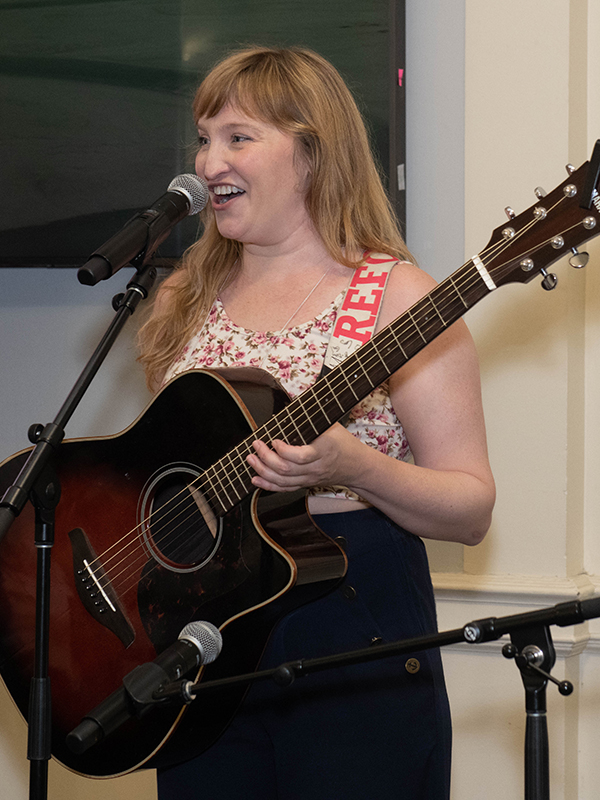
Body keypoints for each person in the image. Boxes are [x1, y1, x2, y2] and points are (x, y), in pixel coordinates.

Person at [138, 45, 495, 800]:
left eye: (238, 136)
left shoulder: (399, 297)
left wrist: (354, 466)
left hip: (353, 628)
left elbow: (471, 508)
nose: (208, 162)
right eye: (203, 137)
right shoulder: (181, 299)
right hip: (207, 643)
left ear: (311, 153)